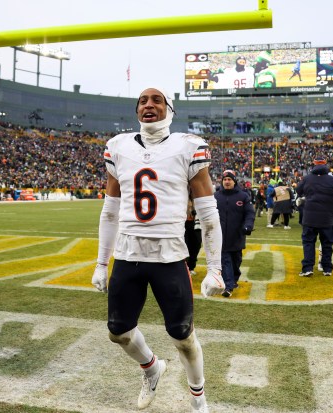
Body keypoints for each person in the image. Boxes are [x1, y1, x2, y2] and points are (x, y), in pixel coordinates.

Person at [91, 87, 223, 413]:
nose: (149, 105)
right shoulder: (118, 147)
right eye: (143, 101)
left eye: (157, 100)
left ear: (170, 110)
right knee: (117, 332)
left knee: (184, 337)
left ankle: (199, 401)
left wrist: (216, 268)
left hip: (169, 256)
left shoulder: (187, 147)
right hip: (127, 254)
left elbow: (208, 214)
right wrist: (100, 262)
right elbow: (109, 212)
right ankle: (151, 368)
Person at [295, 156, 333, 277]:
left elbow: (298, 191)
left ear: (314, 164)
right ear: (326, 165)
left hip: (309, 217)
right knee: (327, 243)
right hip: (327, 218)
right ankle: (327, 269)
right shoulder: (332, 180)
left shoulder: (307, 178)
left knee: (308, 242)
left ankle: (307, 268)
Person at [214, 170, 255, 297]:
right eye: (225, 179)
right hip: (220, 235)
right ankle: (228, 286)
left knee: (236, 260)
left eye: (229, 179)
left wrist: (248, 225)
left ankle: (234, 280)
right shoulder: (216, 196)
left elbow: (249, 213)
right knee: (225, 260)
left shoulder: (243, 196)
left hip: (237, 234)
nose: (227, 182)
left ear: (234, 181)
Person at [184, 195, 202, 276]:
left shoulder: (198, 195)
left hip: (196, 223)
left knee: (196, 245)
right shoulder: (182, 194)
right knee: (185, 245)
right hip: (183, 223)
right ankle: (185, 267)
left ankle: (191, 267)